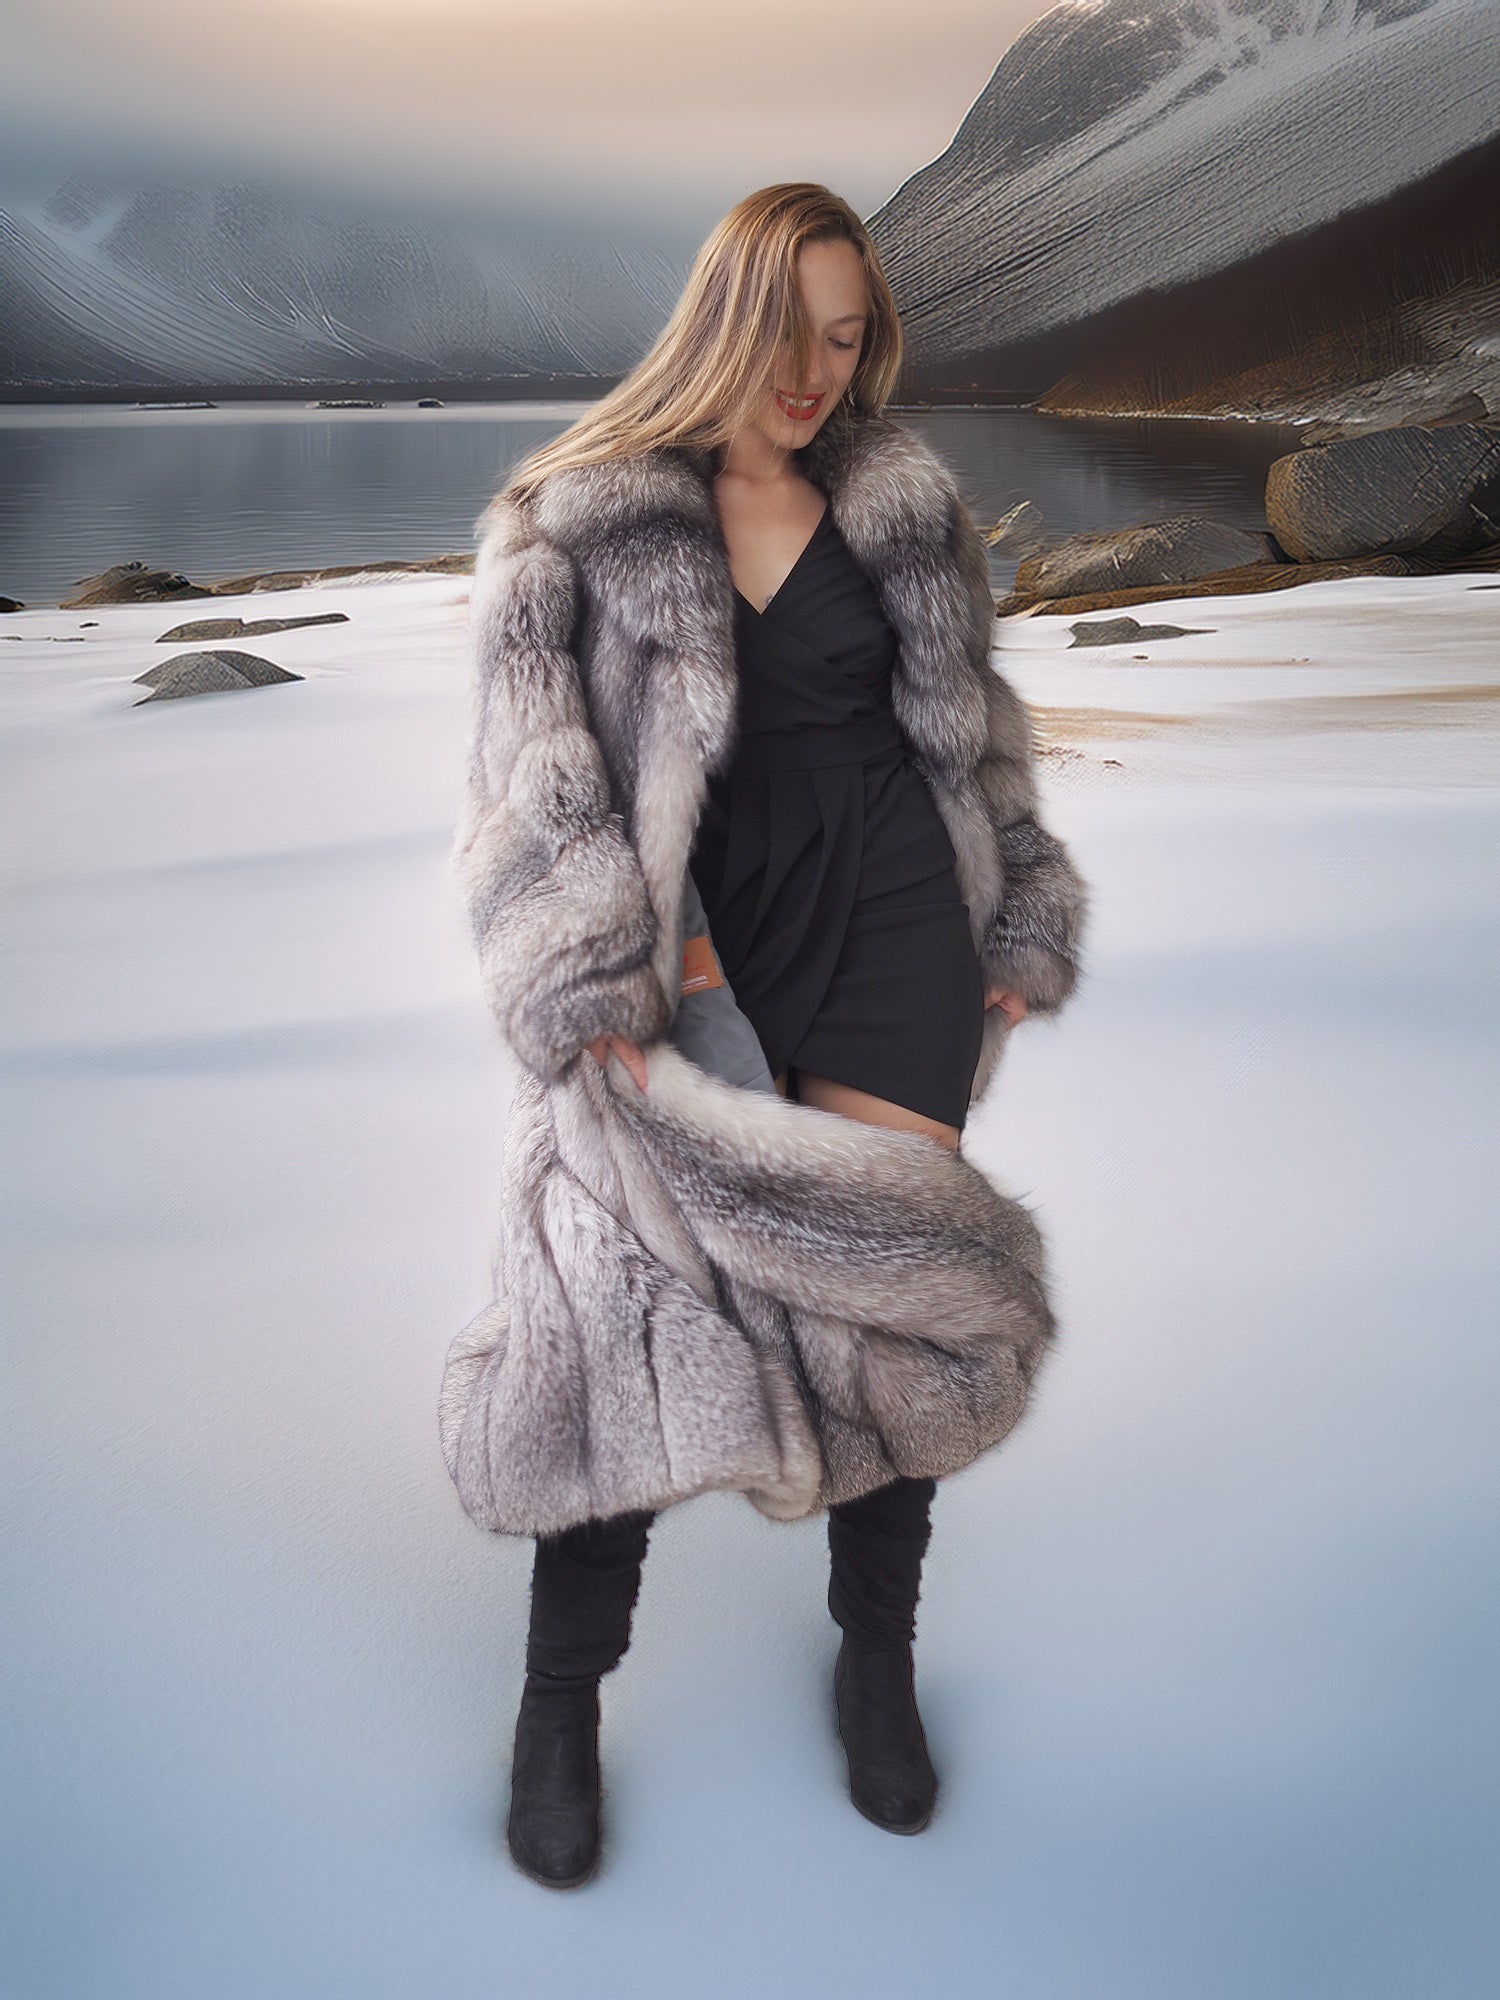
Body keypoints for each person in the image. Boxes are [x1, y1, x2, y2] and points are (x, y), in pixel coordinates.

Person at [448, 183, 1087, 1890]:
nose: (820, 370)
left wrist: (1018, 902)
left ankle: (874, 1657)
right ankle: (560, 1703)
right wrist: (601, 968)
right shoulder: (572, 526)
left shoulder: (899, 511)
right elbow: (532, 782)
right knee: (618, 1309)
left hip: (889, 926)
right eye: (794, 325)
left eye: (850, 332)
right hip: (691, 959)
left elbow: (974, 736)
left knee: (893, 1291)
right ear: (724, 313)